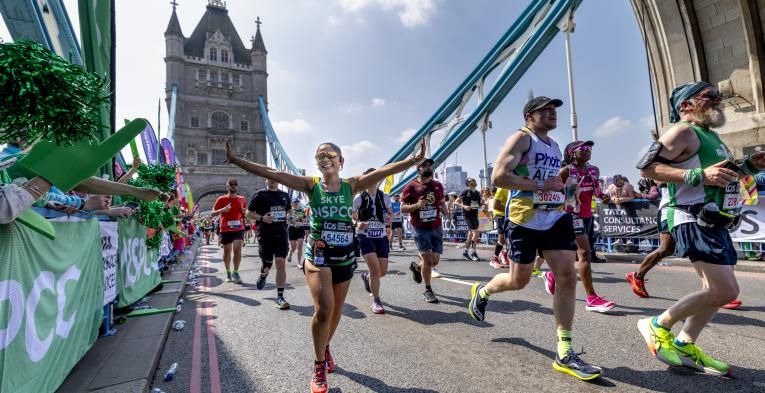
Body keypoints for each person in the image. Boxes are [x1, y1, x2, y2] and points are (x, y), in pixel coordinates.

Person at [226, 139, 426, 393]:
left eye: (331, 154)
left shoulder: (350, 185)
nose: (326, 158)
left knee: (336, 312)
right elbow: (272, 172)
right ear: (317, 163)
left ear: (341, 161)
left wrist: (413, 161)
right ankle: (319, 365)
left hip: (344, 256)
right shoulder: (311, 186)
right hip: (318, 256)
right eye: (320, 155)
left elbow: (383, 172)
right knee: (324, 310)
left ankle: (325, 347)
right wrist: (236, 160)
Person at [467, 96, 602, 380]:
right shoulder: (521, 139)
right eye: (546, 110)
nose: (553, 114)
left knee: (567, 276)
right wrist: (541, 184)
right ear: (530, 116)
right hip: (524, 218)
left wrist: (566, 190)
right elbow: (499, 177)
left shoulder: (554, 145)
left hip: (554, 217)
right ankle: (483, 292)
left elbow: (555, 182)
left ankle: (564, 351)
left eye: (555, 110)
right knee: (519, 281)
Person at [636, 81, 765, 375]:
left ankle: (684, 343)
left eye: (718, 96)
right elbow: (647, 169)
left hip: (714, 218)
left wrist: (748, 166)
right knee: (726, 289)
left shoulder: (711, 136)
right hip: (691, 217)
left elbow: (718, 174)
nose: (718, 101)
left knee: (715, 289)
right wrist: (697, 174)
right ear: (686, 105)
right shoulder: (682, 131)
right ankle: (657, 324)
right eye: (710, 97)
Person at [542, 140, 614, 313]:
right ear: (572, 153)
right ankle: (591, 298)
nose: (588, 151)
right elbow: (551, 189)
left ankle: (552, 275)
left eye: (589, 148)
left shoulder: (593, 170)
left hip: (587, 214)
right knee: (585, 253)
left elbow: (596, 191)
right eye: (583, 148)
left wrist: (603, 197)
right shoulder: (566, 171)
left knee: (573, 254)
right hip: (571, 214)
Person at [402, 158, 447, 303]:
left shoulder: (438, 186)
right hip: (420, 228)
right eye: (425, 165)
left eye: (430, 165)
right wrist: (416, 205)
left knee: (434, 261)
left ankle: (417, 268)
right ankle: (428, 290)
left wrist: (446, 211)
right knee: (428, 260)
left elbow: (441, 202)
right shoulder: (411, 187)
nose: (429, 167)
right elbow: (403, 208)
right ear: (418, 169)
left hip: (436, 226)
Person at [353, 168, 394, 314]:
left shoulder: (385, 197)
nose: (373, 180)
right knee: (375, 270)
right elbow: (350, 215)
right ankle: (376, 301)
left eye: (376, 177)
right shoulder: (359, 198)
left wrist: (389, 220)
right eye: (369, 177)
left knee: (382, 272)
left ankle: (366, 277)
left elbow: (390, 213)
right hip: (365, 236)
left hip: (381, 236)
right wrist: (356, 223)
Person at [248, 178, 292, 308]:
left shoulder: (284, 195)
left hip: (281, 235)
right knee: (267, 264)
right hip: (265, 236)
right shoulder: (260, 195)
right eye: (270, 178)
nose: (272, 180)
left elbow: (289, 210)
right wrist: (262, 218)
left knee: (280, 262)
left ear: (278, 180)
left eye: (275, 178)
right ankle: (263, 275)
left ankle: (280, 297)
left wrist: (290, 217)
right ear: (265, 180)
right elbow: (248, 213)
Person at [625, 182, 674, 298]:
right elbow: (659, 182)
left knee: (669, 249)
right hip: (670, 209)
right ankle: (637, 276)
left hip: (688, 209)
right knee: (665, 248)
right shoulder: (672, 166)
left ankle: (715, 289)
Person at [211, 178, 247, 284]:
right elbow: (213, 213)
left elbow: (245, 213)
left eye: (235, 184)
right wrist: (223, 210)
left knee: (238, 250)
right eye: (231, 184)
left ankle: (235, 272)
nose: (233, 186)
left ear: (237, 186)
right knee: (227, 252)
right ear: (227, 186)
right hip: (225, 228)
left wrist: (245, 212)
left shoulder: (242, 199)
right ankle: (228, 273)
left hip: (238, 228)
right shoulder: (221, 199)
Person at [455, 178, 483, 261]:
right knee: (476, 232)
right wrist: (464, 206)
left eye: (474, 180)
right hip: (468, 215)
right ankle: (473, 252)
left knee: (470, 235)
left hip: (475, 215)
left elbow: (478, 204)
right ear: (468, 183)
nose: (474, 181)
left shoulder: (478, 193)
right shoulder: (465, 192)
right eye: (472, 181)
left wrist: (483, 204)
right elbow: (456, 202)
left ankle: (465, 251)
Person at [490, 186, 511, 268]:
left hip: (509, 215)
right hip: (500, 214)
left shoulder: (515, 187)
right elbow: (496, 205)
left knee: (511, 236)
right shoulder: (502, 188)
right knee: (502, 238)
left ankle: (504, 253)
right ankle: (494, 259)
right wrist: (510, 210)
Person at [287, 198, 308, 265]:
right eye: (294, 203)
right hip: (292, 229)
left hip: (300, 228)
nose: (296, 204)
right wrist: (296, 219)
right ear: (292, 203)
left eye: (297, 202)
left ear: (299, 203)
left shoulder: (302, 210)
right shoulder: (290, 211)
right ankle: (290, 253)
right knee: (293, 246)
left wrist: (302, 219)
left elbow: (304, 220)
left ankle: (299, 263)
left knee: (300, 245)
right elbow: (290, 221)